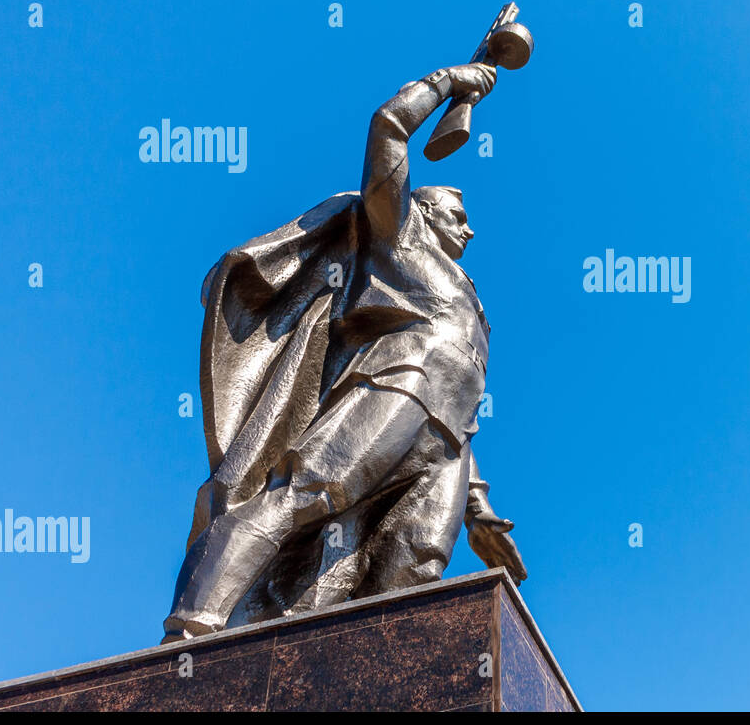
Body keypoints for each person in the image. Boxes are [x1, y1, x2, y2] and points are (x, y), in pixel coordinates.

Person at [162, 65, 526, 642]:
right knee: (307, 494)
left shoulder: (474, 306)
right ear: (423, 214)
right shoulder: (399, 237)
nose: (472, 232)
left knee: (416, 564)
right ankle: (192, 631)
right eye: (459, 217)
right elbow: (388, 128)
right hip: (394, 384)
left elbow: (462, 404)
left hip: (448, 441)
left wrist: (478, 509)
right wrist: (448, 82)